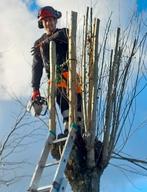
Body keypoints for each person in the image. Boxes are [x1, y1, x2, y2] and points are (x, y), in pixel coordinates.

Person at [31, 6, 83, 137]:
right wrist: (35, 89)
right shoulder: (38, 44)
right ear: (42, 23)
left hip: (70, 75)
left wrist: (46, 42)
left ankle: (80, 127)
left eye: (51, 20)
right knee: (62, 98)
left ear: (55, 20)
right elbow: (36, 68)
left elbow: (64, 35)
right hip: (55, 78)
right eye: (45, 21)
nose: (48, 23)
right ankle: (67, 127)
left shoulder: (64, 33)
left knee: (78, 102)